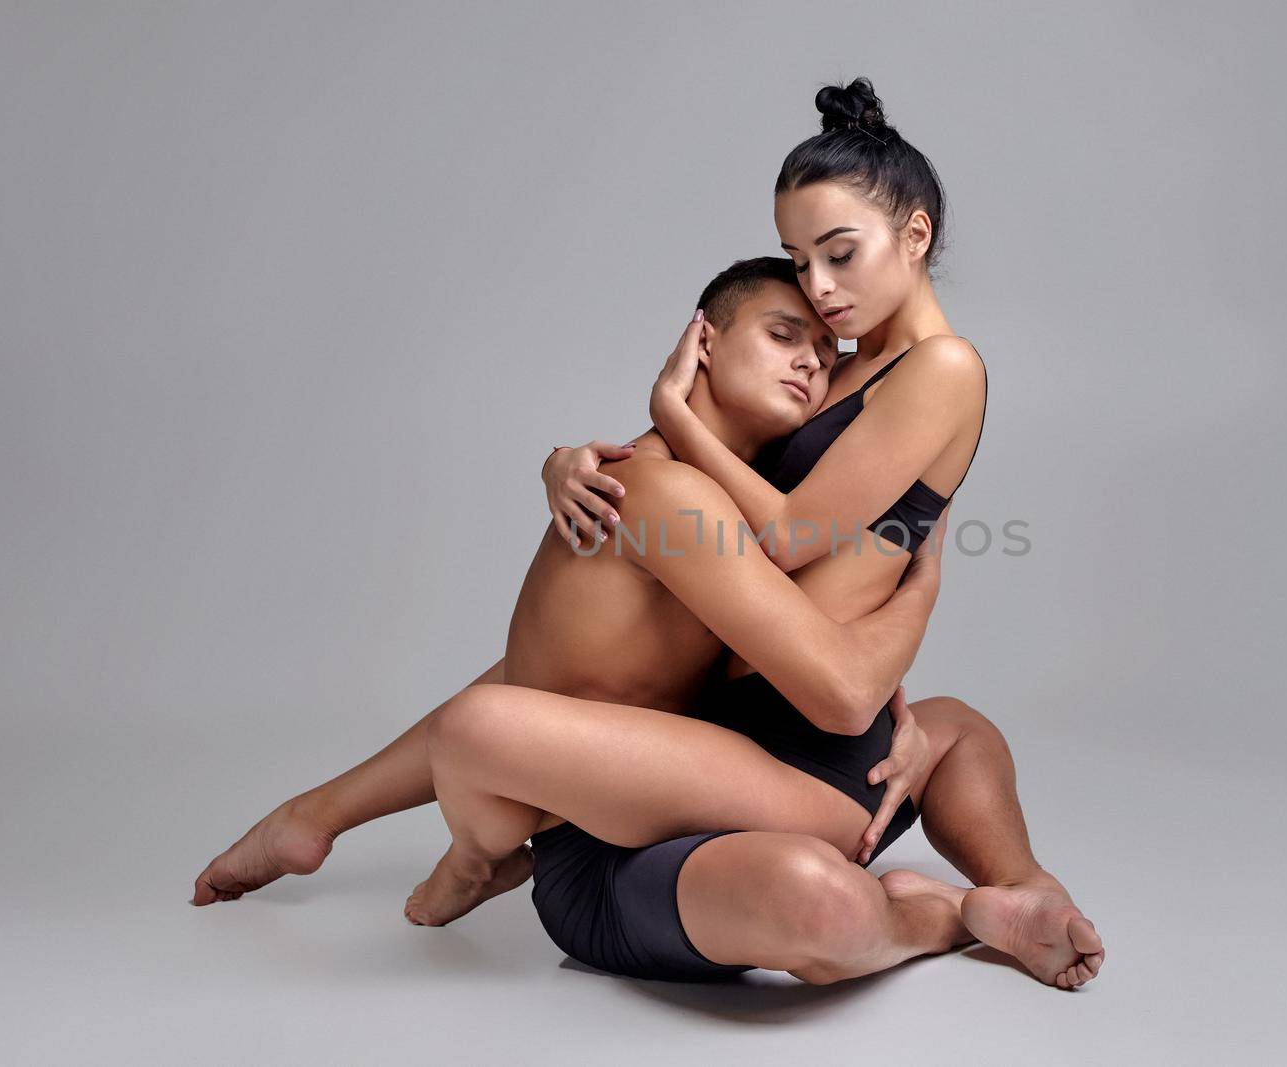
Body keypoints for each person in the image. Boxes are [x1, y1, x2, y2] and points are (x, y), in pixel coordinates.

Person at [194, 78, 1105, 989]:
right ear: (707, 337)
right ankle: (333, 819)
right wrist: (583, 456)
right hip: (746, 724)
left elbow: (799, 545)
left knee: (520, 713)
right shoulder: (851, 367)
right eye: (799, 269)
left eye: (838, 257)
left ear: (916, 236)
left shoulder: (932, 365)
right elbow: (815, 554)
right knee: (571, 685)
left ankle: (1002, 897)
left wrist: (673, 414)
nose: (819, 305)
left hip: (805, 731)